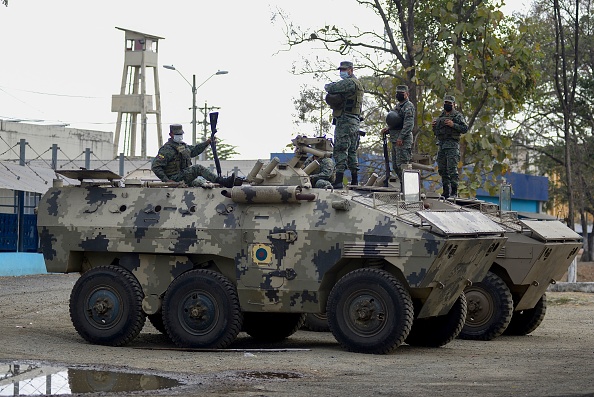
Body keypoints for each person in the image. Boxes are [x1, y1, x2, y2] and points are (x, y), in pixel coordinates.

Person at [151, 124, 235, 188]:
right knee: (198, 168)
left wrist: (207, 142)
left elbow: (194, 150)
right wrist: (167, 181)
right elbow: (156, 167)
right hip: (175, 178)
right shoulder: (166, 149)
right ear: (171, 134)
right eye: (177, 134)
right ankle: (223, 181)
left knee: (202, 182)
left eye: (180, 134)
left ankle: (227, 183)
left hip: (184, 176)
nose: (179, 136)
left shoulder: (183, 146)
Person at [324, 61, 364, 188]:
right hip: (355, 122)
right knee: (352, 151)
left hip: (345, 121)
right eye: (341, 69)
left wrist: (329, 86)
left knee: (341, 149)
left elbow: (330, 88)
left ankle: (339, 180)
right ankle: (355, 180)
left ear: (351, 70)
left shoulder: (350, 83)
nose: (342, 72)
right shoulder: (359, 84)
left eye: (344, 69)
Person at [432, 95, 468, 198]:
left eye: (449, 103)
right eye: (445, 103)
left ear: (454, 105)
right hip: (441, 145)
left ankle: (454, 192)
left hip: (452, 145)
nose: (447, 105)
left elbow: (465, 128)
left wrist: (453, 125)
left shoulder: (457, 116)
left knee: (452, 169)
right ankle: (446, 191)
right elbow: (437, 133)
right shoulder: (440, 117)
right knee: (442, 170)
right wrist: (434, 126)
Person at [381, 85, 415, 189]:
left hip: (403, 140)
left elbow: (408, 124)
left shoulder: (408, 106)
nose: (399, 95)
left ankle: (409, 189)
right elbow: (396, 122)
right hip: (395, 139)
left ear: (407, 94)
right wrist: (388, 129)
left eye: (401, 93)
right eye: (397, 93)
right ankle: (403, 186)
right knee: (395, 166)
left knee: (403, 166)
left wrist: (401, 137)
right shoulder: (397, 106)